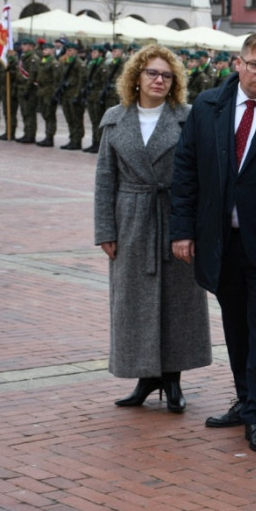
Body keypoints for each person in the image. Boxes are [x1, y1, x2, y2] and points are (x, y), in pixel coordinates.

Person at [170, 33, 256, 453]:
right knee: (235, 327)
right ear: (239, 63)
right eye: (255, 65)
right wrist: (182, 229)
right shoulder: (209, 106)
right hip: (221, 242)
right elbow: (186, 170)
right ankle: (244, 397)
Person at [94, 44, 211, 412]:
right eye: (152, 73)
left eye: (166, 75)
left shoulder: (187, 118)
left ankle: (173, 380)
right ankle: (145, 379)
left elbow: (200, 177)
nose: (159, 80)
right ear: (136, 77)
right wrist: (105, 230)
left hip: (174, 217)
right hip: (131, 220)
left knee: (178, 302)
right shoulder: (115, 118)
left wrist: (192, 227)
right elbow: (104, 178)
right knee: (135, 303)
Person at [34, 42, 60, 147]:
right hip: (42, 91)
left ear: (52, 51)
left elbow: (56, 80)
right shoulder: (43, 61)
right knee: (45, 114)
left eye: (46, 49)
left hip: (49, 91)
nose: (44, 51)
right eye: (43, 49)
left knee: (50, 115)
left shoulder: (53, 63)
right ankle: (47, 135)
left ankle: (49, 137)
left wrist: (54, 94)